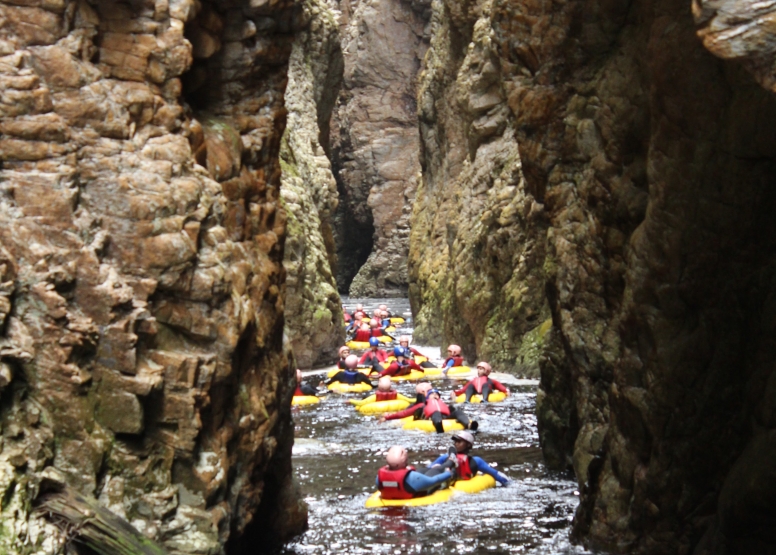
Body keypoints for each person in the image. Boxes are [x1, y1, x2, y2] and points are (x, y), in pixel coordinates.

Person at [428, 431, 509, 486]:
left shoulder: (475, 461)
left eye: (459, 441)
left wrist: (508, 483)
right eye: (455, 441)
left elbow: (495, 474)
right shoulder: (445, 457)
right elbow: (430, 469)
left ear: (468, 445)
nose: (456, 444)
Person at [379, 388, 478, 433]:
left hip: (445, 417)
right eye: (432, 394)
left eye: (437, 394)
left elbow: (454, 411)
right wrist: (387, 418)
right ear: (427, 397)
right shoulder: (423, 405)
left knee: (458, 412)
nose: (435, 395)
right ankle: (439, 426)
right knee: (436, 413)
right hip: (430, 417)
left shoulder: (444, 404)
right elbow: (404, 413)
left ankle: (469, 425)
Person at [376, 446, 456, 499]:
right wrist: (448, 473)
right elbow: (434, 481)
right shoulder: (412, 478)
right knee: (436, 469)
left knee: (423, 470)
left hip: (402, 490)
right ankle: (451, 460)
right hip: (414, 489)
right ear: (405, 459)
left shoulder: (379, 478)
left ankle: (441, 460)